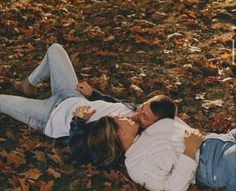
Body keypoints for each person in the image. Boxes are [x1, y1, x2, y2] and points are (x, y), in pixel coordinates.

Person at [0, 43, 166, 165]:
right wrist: (93, 94)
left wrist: (78, 120)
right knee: (55, 49)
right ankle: (28, 84)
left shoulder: (124, 138)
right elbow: (114, 103)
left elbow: (78, 156)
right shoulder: (137, 111)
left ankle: (27, 91)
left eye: (144, 116)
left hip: (48, 117)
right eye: (142, 106)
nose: (137, 113)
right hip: (73, 95)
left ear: (155, 125)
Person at [85, 96, 236, 191]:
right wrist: (189, 151)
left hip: (220, 141)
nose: (126, 116)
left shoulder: (145, 130)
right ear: (120, 134)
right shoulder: (137, 165)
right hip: (215, 166)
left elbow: (165, 109)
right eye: (120, 118)